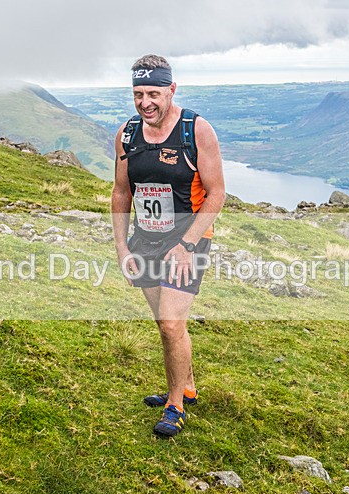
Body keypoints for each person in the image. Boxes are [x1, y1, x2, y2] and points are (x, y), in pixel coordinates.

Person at [111, 54, 225, 438]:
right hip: (144, 238)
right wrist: (122, 248)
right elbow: (121, 192)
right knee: (164, 322)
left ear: (171, 90)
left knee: (172, 324)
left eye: (154, 93)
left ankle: (176, 405)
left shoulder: (196, 130)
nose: (146, 102)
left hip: (188, 238)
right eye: (138, 93)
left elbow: (217, 193)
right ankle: (186, 385)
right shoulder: (127, 134)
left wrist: (187, 245)